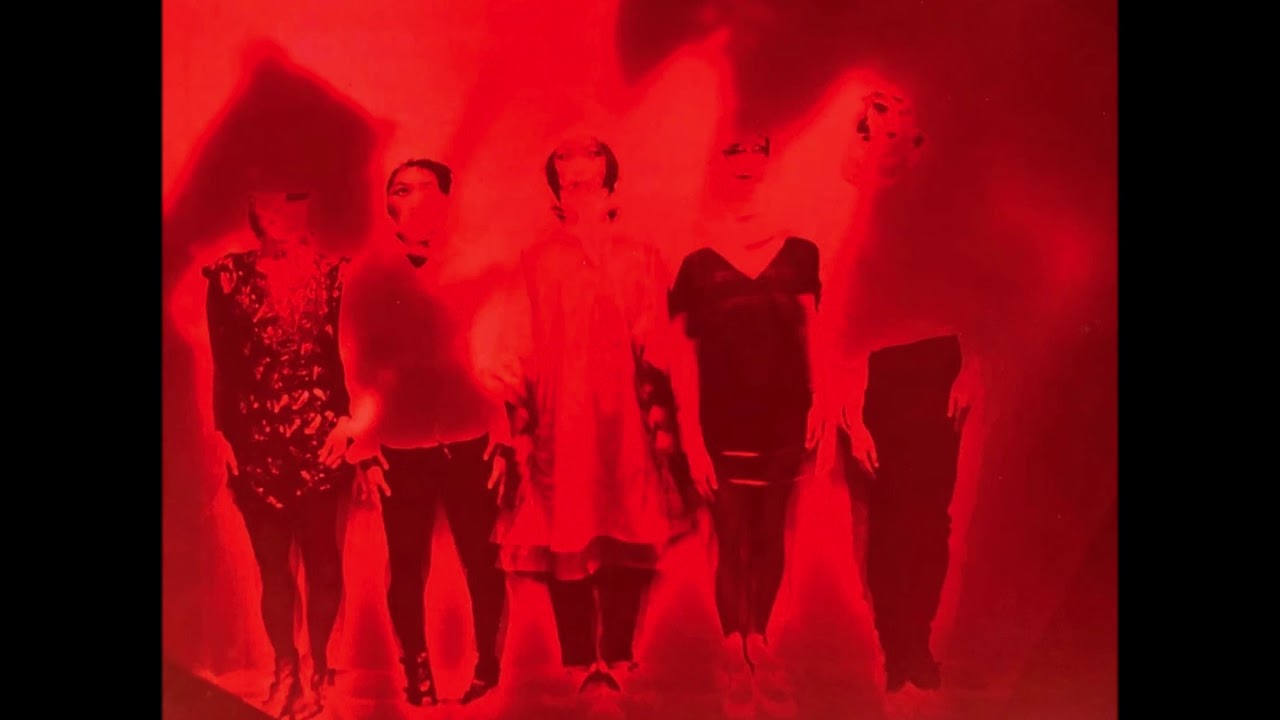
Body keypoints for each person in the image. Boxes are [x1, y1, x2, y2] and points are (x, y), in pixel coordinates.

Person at [481, 135, 696, 696]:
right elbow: (516, 347)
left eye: (592, 183)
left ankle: (619, 653)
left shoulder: (640, 255)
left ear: (611, 187)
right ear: (556, 195)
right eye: (570, 185)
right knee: (564, 528)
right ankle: (577, 657)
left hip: (626, 420)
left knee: (629, 521)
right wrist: (514, 423)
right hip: (561, 419)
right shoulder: (535, 261)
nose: (581, 194)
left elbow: (658, 342)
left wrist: (669, 419)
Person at [342, 158, 510, 706]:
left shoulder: (480, 268)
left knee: (483, 560)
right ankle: (416, 670)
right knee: (407, 563)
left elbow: (501, 355)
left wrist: (504, 434)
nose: (412, 200)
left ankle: (488, 668)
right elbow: (355, 366)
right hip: (400, 444)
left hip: (470, 438)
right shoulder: (368, 279)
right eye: (400, 190)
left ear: (445, 200)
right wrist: (365, 451)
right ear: (388, 203)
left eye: (424, 190)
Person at [668, 131, 823, 719]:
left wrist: (822, 398)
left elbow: (811, 332)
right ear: (721, 171)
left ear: (768, 169)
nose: (747, 170)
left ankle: (760, 638)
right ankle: (733, 647)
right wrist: (689, 436)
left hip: (783, 416)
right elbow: (682, 356)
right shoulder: (697, 261)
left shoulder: (800, 251)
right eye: (736, 160)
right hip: (722, 419)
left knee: (770, 532)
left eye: (756, 160)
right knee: (731, 536)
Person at [203, 191, 355, 720]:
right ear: (255, 215)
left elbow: (349, 354)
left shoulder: (333, 275)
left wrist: (347, 424)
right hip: (256, 439)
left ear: (305, 210)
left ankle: (318, 671)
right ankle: (284, 668)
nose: (280, 218)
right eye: (268, 207)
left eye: (290, 205)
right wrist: (225, 436)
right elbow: (222, 360)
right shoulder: (228, 276)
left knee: (322, 559)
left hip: (320, 437)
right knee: (273, 566)